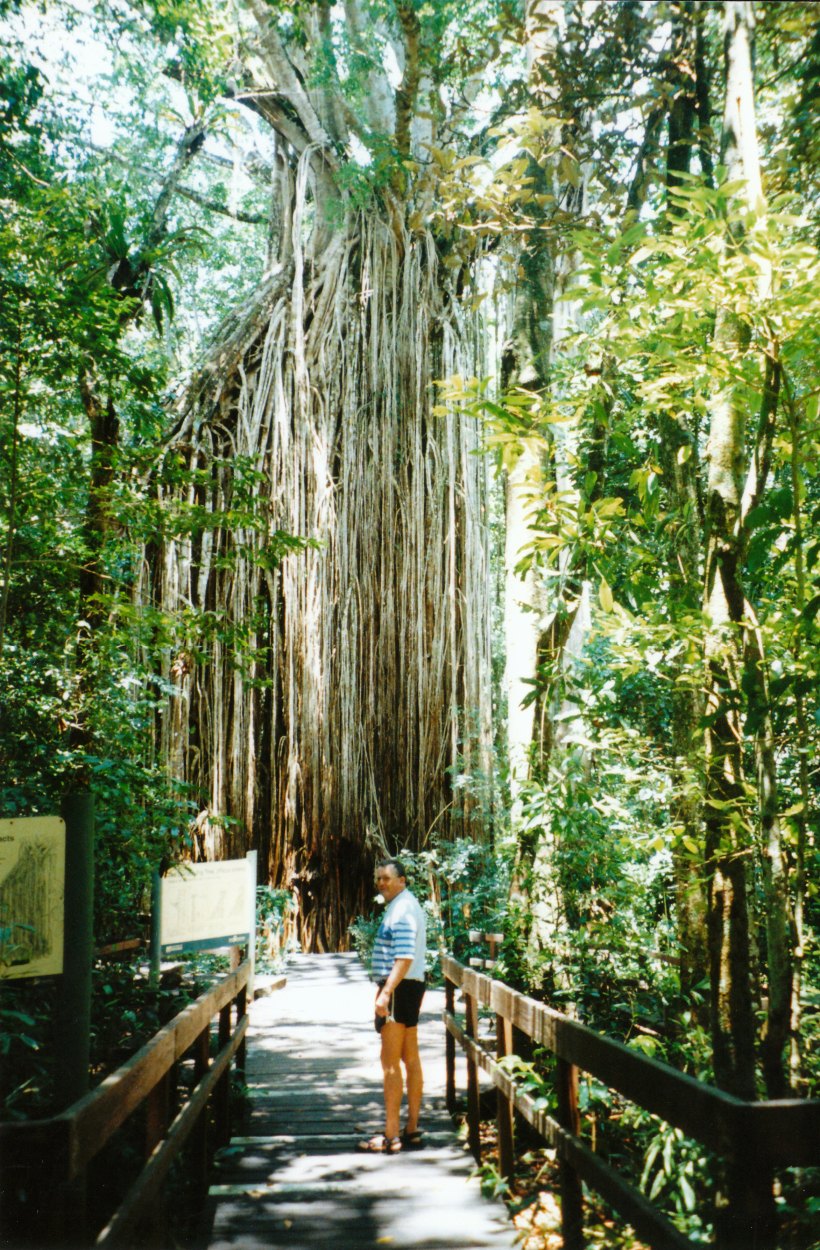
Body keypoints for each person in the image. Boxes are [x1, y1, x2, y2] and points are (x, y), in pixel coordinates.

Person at [359, 857, 427, 1154]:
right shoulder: (406, 905)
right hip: (410, 986)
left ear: (402, 880)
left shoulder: (402, 910)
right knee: (410, 1057)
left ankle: (390, 1136)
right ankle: (411, 1128)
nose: (381, 883)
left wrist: (385, 993)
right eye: (378, 878)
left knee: (389, 1061)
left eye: (387, 878)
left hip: (398, 988)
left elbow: (404, 957)